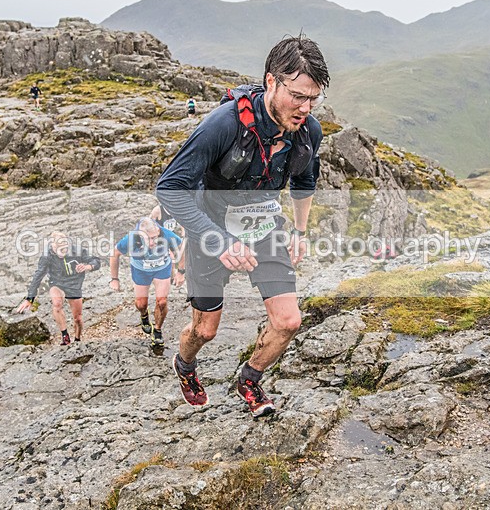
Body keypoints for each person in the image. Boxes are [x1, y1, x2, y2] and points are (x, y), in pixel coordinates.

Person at [156, 35, 329, 417]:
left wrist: (299, 232)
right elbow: (169, 188)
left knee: (289, 321)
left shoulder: (308, 131)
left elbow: (304, 181)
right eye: (297, 96)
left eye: (313, 99)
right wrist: (217, 241)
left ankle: (249, 379)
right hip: (211, 228)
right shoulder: (223, 125)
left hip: (264, 227)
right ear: (271, 82)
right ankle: (185, 364)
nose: (305, 108)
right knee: (205, 330)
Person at [16, 232, 101, 345]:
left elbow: (96, 261)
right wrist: (30, 298)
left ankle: (77, 340)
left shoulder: (77, 250)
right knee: (57, 304)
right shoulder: (47, 256)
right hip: (57, 282)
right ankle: (65, 336)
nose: (63, 251)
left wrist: (87, 266)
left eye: (65, 248)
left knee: (78, 318)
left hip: (74, 284)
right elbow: (38, 275)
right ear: (53, 245)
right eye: (60, 249)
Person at [110, 217, 184, 347]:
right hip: (140, 270)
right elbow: (115, 254)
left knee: (162, 302)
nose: (152, 242)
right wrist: (114, 279)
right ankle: (144, 315)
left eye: (154, 237)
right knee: (141, 304)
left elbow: (182, 248)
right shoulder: (131, 238)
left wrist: (181, 271)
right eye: (147, 239)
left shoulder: (166, 234)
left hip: (162, 268)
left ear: (158, 231)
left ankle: (158, 331)